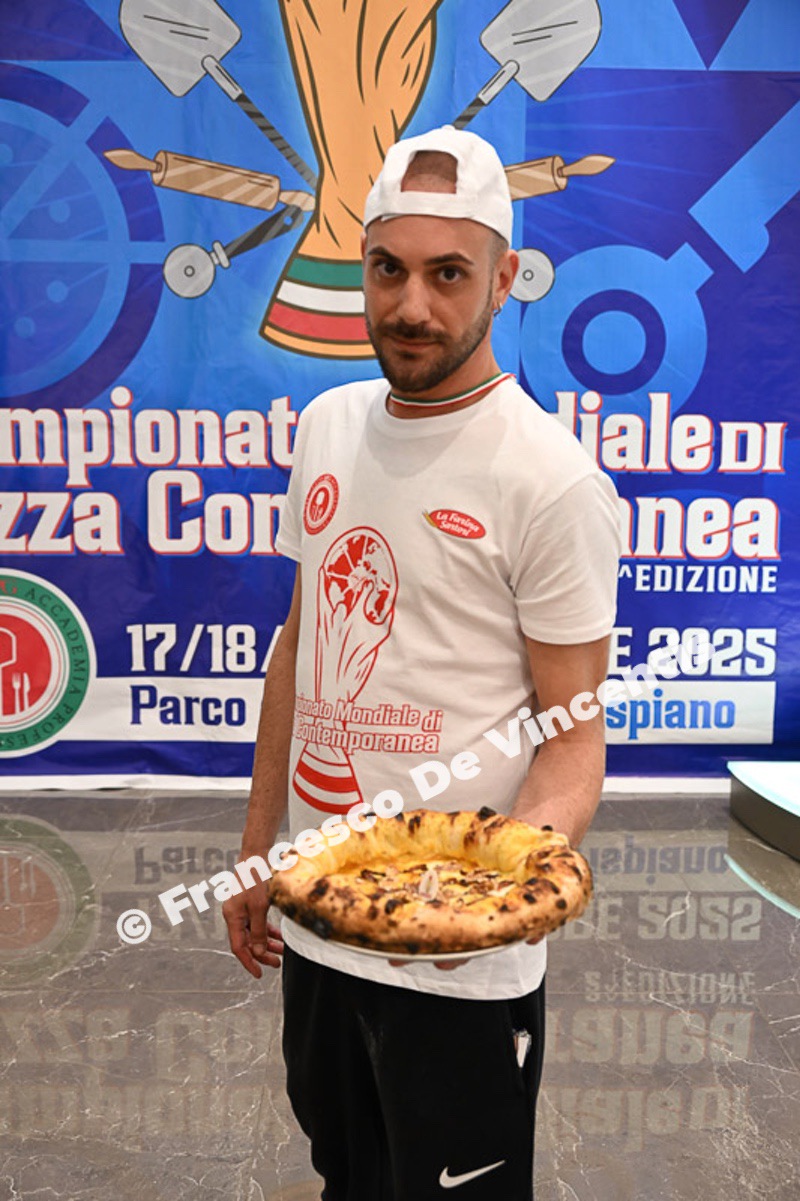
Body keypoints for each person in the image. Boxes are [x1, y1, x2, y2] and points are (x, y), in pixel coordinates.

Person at [223, 125, 620, 1201]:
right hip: (320, 925)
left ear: (504, 278)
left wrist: (485, 909)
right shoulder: (327, 424)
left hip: (458, 976)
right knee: (344, 1175)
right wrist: (259, 845)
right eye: (387, 269)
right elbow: (300, 645)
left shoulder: (549, 479)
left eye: (448, 274)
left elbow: (572, 739)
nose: (411, 306)